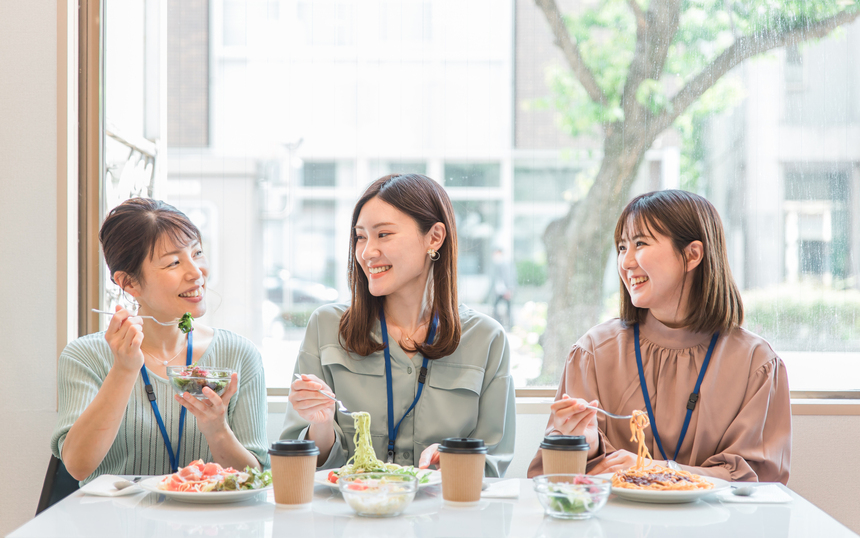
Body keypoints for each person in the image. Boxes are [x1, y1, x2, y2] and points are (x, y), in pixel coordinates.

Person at [527, 190, 791, 483]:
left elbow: (762, 483)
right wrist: (584, 447)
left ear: (692, 255)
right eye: (621, 247)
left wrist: (656, 471)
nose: (626, 262)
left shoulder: (757, 363)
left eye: (640, 243)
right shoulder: (593, 352)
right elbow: (551, 481)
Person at [281, 174, 515, 476]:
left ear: (434, 237)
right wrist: (321, 423)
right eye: (361, 236)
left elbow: (493, 463)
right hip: (349, 517)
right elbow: (300, 462)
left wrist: (454, 460)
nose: (367, 253)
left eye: (384, 235)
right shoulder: (326, 327)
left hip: (444, 519)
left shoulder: (487, 339)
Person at [51, 198, 269, 484]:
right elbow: (78, 466)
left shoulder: (239, 355)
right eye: (174, 263)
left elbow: (255, 477)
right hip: (113, 525)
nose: (196, 272)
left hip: (206, 526)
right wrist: (124, 370)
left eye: (198, 253)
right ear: (129, 283)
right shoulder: (85, 356)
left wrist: (217, 429)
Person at [490, 248, 516, 329]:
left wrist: (509, 290)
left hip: (506, 291)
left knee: (508, 309)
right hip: (500, 291)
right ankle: (501, 324)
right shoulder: (497, 265)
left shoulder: (505, 264)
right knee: (497, 307)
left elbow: (508, 277)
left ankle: (510, 325)